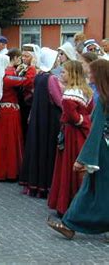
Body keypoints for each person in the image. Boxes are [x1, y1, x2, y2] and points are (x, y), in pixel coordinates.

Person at [47, 59, 109, 239]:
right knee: (91, 188)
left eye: (92, 73)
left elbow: (96, 130)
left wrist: (83, 158)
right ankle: (70, 223)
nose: (90, 76)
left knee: (93, 188)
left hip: (103, 150)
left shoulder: (104, 100)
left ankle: (70, 224)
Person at [48, 61, 93, 217]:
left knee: (69, 168)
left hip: (72, 134)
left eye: (64, 72)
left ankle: (67, 204)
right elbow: (90, 113)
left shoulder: (70, 94)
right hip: (82, 135)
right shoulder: (86, 91)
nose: (62, 74)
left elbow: (73, 117)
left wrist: (83, 121)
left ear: (72, 74)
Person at [20, 48, 62, 198]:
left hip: (39, 117)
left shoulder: (39, 76)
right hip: (49, 120)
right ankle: (45, 185)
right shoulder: (51, 79)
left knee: (37, 149)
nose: (57, 61)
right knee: (46, 151)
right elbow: (59, 100)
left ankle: (35, 184)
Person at [0, 53, 35, 181]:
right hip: (9, 113)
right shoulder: (7, 78)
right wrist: (31, 68)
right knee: (10, 142)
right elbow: (27, 80)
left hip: (3, 111)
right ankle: (9, 172)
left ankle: (2, 171)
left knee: (2, 142)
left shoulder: (1, 78)